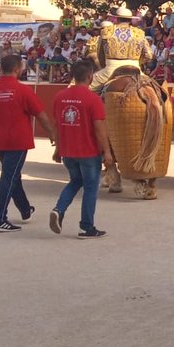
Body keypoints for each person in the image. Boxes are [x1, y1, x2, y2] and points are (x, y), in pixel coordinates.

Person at [0, 54, 56, 232]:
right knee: (9, 177)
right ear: (17, 69)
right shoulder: (23, 90)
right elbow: (41, 115)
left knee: (13, 176)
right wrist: (52, 134)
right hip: (18, 141)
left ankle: (24, 209)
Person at [49, 59, 113, 239]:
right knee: (91, 187)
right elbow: (100, 128)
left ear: (73, 76)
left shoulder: (60, 96)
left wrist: (57, 149)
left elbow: (57, 125)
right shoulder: (93, 99)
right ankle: (86, 226)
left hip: (68, 151)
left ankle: (59, 209)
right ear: (91, 76)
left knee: (75, 181)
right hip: (88, 151)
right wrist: (107, 152)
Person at [86, 6, 154, 88]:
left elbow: (100, 55)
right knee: (153, 89)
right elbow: (149, 55)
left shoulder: (107, 31)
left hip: (110, 69)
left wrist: (104, 67)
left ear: (117, 19)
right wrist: (138, 62)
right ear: (130, 20)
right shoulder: (139, 33)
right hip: (135, 69)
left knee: (86, 87)